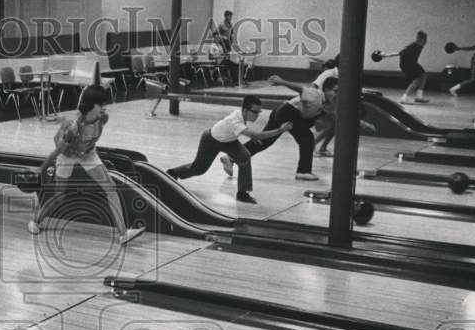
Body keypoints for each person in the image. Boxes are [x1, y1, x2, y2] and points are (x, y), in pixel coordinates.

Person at [29, 85, 143, 244]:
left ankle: (123, 234)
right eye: (101, 104)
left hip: (88, 154)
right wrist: (41, 169)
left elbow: (91, 137)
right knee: (59, 196)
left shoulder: (103, 118)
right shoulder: (72, 125)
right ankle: (35, 221)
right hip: (67, 156)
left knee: (110, 188)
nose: (105, 108)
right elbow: (57, 146)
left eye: (105, 104)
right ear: (90, 105)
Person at [168, 95, 291, 204]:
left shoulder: (241, 115)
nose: (257, 115)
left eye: (259, 112)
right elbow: (257, 135)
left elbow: (246, 133)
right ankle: (172, 173)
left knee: (245, 156)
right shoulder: (235, 121)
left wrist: (253, 137)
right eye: (255, 112)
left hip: (229, 141)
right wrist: (281, 130)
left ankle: (242, 193)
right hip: (211, 140)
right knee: (199, 169)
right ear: (245, 110)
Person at [242, 74, 338, 180]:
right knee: (307, 138)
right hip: (288, 112)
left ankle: (234, 156)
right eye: (335, 91)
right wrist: (282, 81)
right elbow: (300, 89)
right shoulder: (316, 94)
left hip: (280, 111)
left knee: (265, 141)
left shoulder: (330, 103)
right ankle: (303, 171)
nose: (338, 94)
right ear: (327, 89)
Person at [381, 30, 431, 104]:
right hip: (406, 64)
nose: (423, 41)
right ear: (418, 38)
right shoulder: (411, 46)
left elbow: (424, 42)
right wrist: (386, 55)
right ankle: (404, 98)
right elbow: (398, 53)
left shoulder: (421, 45)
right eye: (420, 38)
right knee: (416, 79)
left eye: (424, 39)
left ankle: (419, 97)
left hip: (413, 63)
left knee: (423, 75)